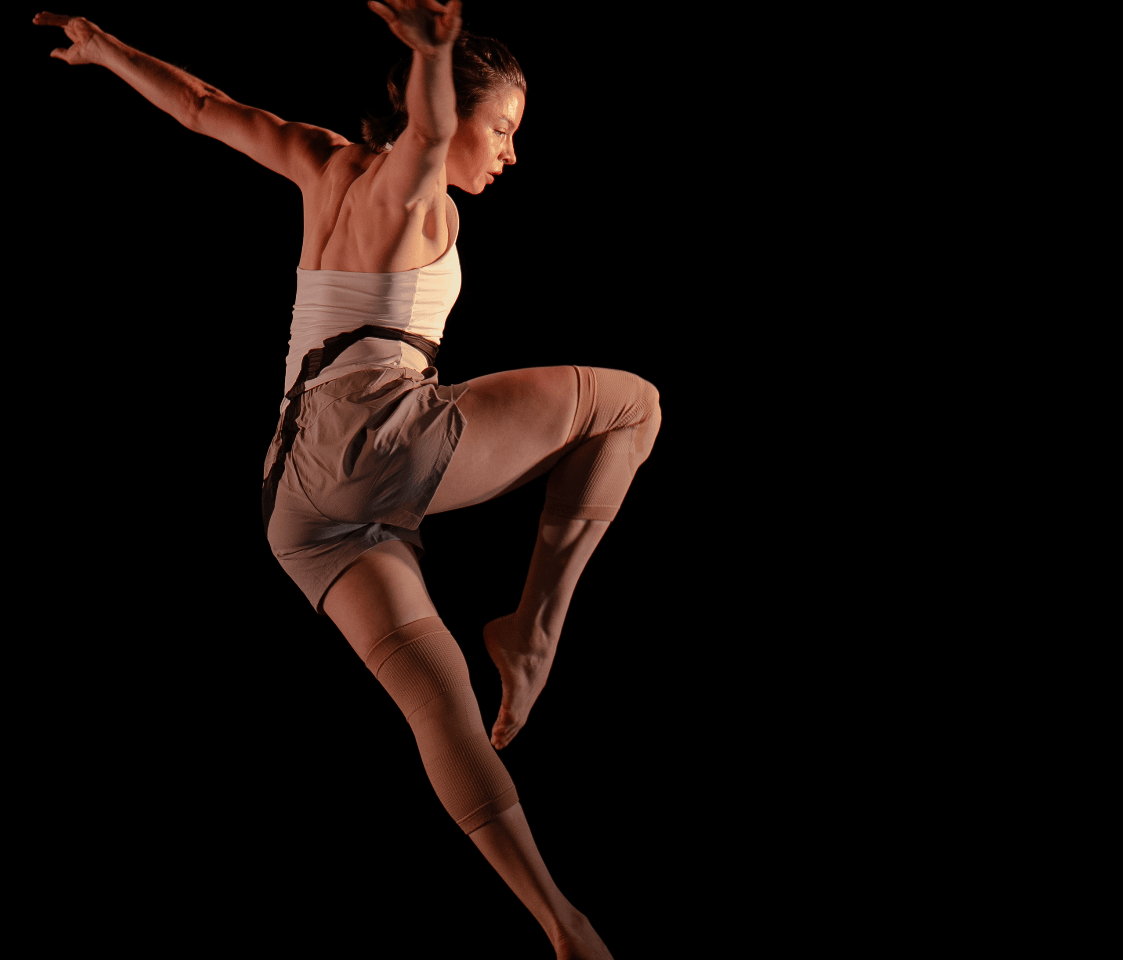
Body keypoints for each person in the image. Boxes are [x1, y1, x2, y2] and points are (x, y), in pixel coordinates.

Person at [35, 3, 659, 957]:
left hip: (296, 499)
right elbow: (423, 139)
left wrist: (108, 50)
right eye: (503, 130)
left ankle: (564, 927)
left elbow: (205, 107)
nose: (509, 154)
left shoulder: (325, 163)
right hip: (372, 438)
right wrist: (437, 58)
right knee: (635, 406)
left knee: (438, 695)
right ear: (450, 117)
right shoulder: (414, 195)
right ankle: (532, 635)